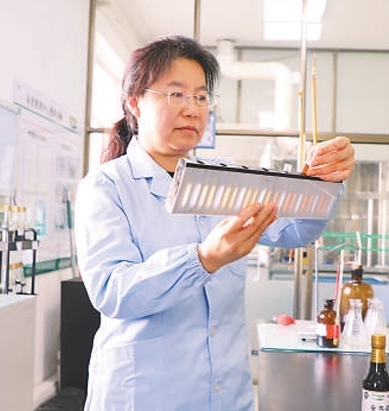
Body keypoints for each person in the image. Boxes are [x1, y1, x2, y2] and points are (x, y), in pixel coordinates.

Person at [74, 35, 355, 411]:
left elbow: (294, 230)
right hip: (144, 395)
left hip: (226, 394)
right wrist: (203, 259)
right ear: (135, 102)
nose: (193, 109)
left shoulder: (226, 178)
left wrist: (325, 181)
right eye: (176, 94)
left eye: (201, 97)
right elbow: (112, 291)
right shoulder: (107, 186)